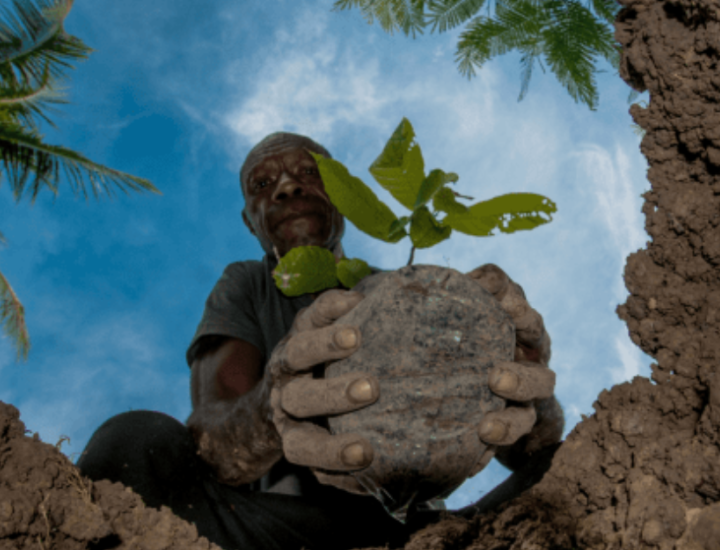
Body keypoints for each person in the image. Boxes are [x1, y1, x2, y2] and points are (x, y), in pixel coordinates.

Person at [77, 132, 564, 550]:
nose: (287, 186)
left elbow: (528, 448)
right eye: (262, 185)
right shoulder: (247, 283)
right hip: (275, 531)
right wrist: (274, 410)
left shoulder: (407, 294)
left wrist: (527, 383)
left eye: (307, 173)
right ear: (251, 221)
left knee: (571, 469)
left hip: (418, 535)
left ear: (341, 196)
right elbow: (210, 439)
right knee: (132, 441)